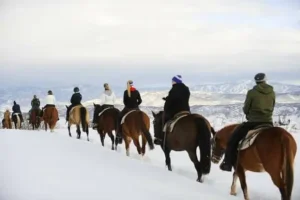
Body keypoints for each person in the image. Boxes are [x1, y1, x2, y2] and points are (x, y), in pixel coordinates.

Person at [220, 73, 275, 172]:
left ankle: (227, 163)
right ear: (265, 80)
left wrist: (249, 113)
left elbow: (246, 109)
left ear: (256, 81)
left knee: (232, 140)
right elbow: (273, 106)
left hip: (253, 122)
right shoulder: (272, 92)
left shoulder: (252, 92)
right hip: (268, 122)